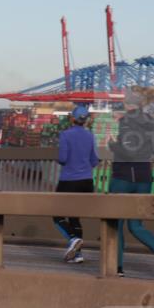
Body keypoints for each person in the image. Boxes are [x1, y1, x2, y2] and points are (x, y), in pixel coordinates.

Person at [107, 92, 154, 278]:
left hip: (124, 177)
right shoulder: (151, 121)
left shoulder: (126, 121)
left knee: (116, 223)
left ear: (127, 104)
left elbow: (128, 152)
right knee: (136, 225)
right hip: (144, 177)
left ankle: (118, 268)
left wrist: (113, 145)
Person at [53, 106, 100, 264]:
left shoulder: (65, 135)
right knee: (75, 217)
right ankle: (78, 255)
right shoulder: (90, 135)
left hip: (69, 181)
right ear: (85, 120)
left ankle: (73, 239)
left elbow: (63, 158)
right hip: (87, 182)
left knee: (57, 215)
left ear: (72, 118)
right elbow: (94, 161)